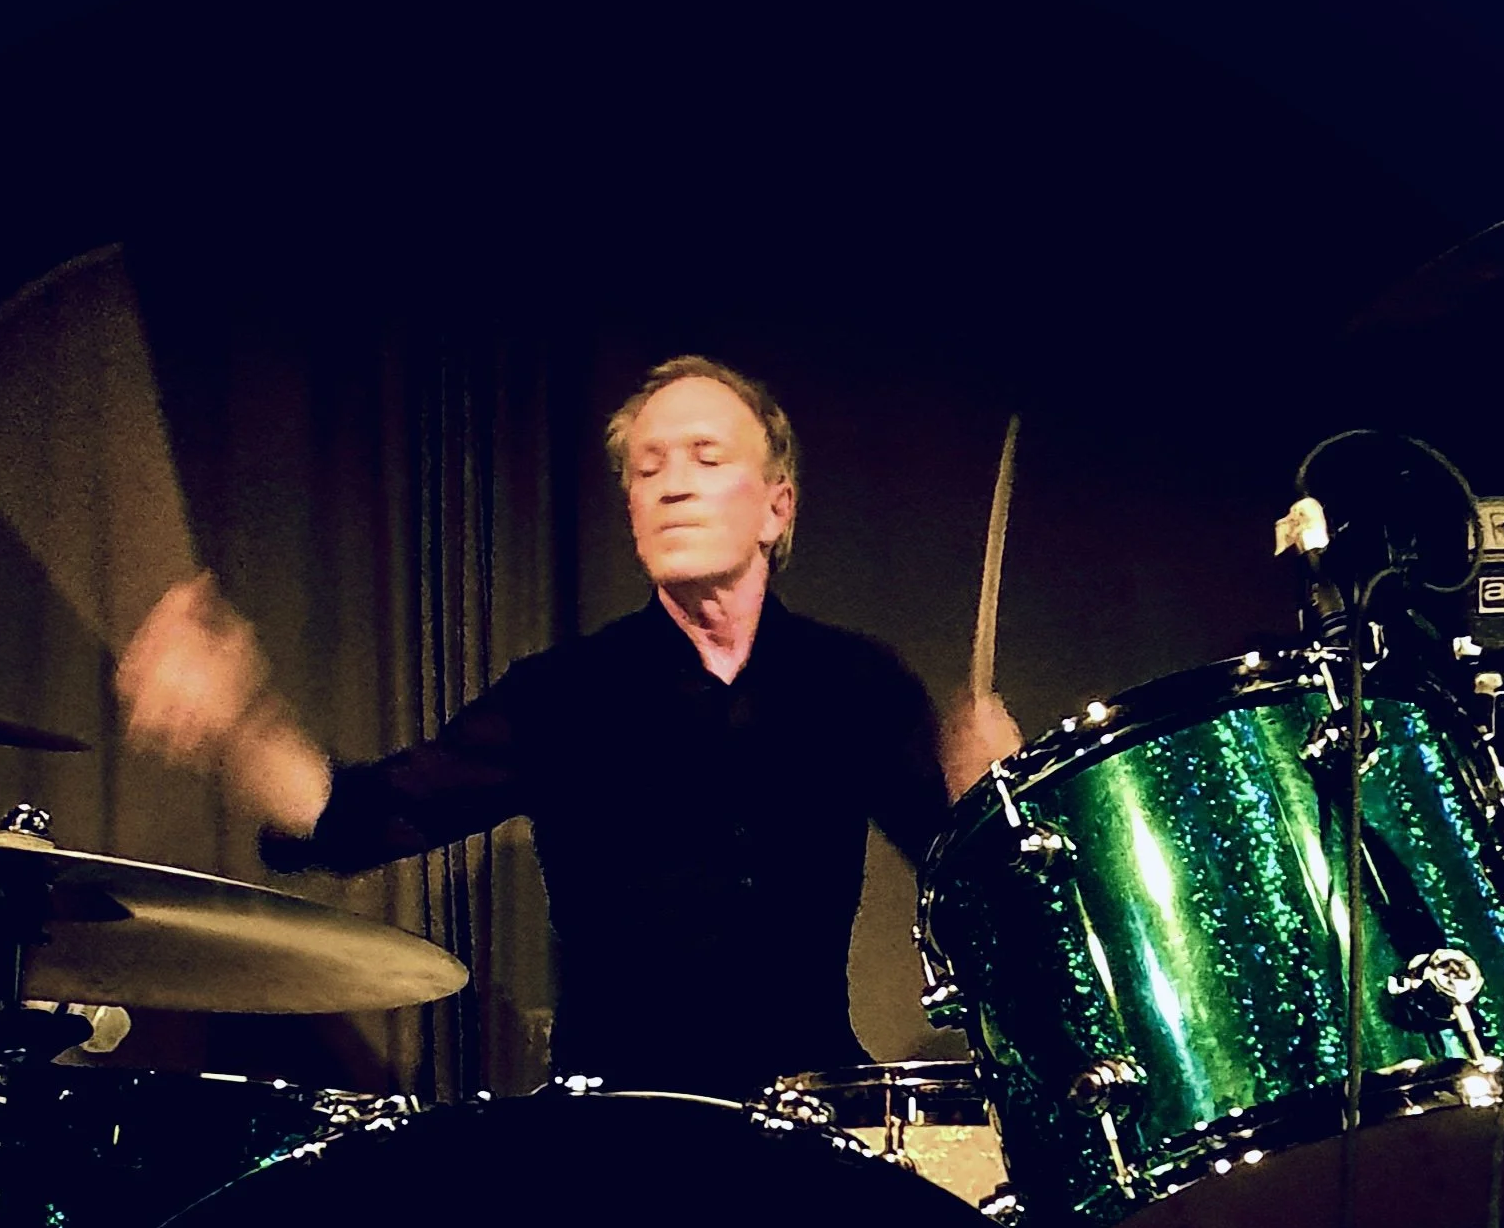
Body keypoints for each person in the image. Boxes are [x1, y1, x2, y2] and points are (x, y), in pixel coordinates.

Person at [116, 354, 1021, 1094]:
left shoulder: (855, 684)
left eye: (706, 458)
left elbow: (980, 887)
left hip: (813, 1120)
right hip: (612, 1135)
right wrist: (241, 727)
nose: (672, 486)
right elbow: (356, 817)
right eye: (647, 469)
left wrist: (993, 797)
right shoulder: (564, 694)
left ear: (775, 506)